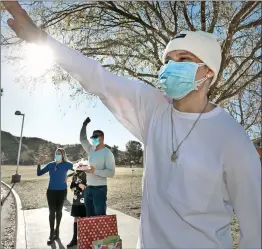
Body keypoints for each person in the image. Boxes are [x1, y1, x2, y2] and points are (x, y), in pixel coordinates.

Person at [4, 2, 261, 248]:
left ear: (209, 72)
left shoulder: (232, 139)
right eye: (168, 61)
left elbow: (256, 228)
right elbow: (98, 77)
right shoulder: (153, 109)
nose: (171, 68)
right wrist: (42, 40)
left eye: (183, 59)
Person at [37, 148, 73, 245]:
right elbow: (39, 173)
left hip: (62, 192)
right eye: (56, 153)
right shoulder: (51, 164)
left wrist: (69, 176)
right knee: (52, 212)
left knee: (59, 211)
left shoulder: (67, 164)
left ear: (63, 155)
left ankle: (57, 231)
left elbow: (77, 169)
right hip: (51, 191)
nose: (57, 155)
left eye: (59, 154)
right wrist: (39, 163)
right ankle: (51, 233)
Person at [80, 117, 115, 216]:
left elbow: (111, 173)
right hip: (88, 188)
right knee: (89, 216)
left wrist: (94, 171)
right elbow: (82, 139)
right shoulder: (91, 149)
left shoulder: (107, 153)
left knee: (100, 217)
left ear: (102, 138)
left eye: (96, 137)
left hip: (100, 189)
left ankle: (101, 233)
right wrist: (84, 125)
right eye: (93, 137)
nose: (93, 139)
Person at [67, 161, 88, 248]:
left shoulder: (87, 174)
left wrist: (82, 185)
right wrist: (78, 184)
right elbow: (72, 187)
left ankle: (84, 239)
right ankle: (74, 239)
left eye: (81, 166)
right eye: (79, 167)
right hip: (76, 200)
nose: (79, 168)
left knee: (84, 218)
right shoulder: (75, 175)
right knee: (76, 218)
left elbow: (87, 186)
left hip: (85, 200)